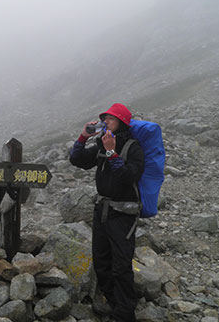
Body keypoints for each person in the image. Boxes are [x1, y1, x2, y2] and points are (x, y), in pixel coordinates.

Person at [69, 103, 144, 322]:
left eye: (110, 119)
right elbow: (77, 160)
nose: (105, 123)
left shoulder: (133, 147)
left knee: (121, 266)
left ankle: (125, 314)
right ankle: (113, 304)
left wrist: (112, 152)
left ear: (121, 123)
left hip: (123, 214)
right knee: (101, 262)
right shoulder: (102, 145)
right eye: (105, 119)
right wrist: (83, 137)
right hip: (102, 210)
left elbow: (127, 178)